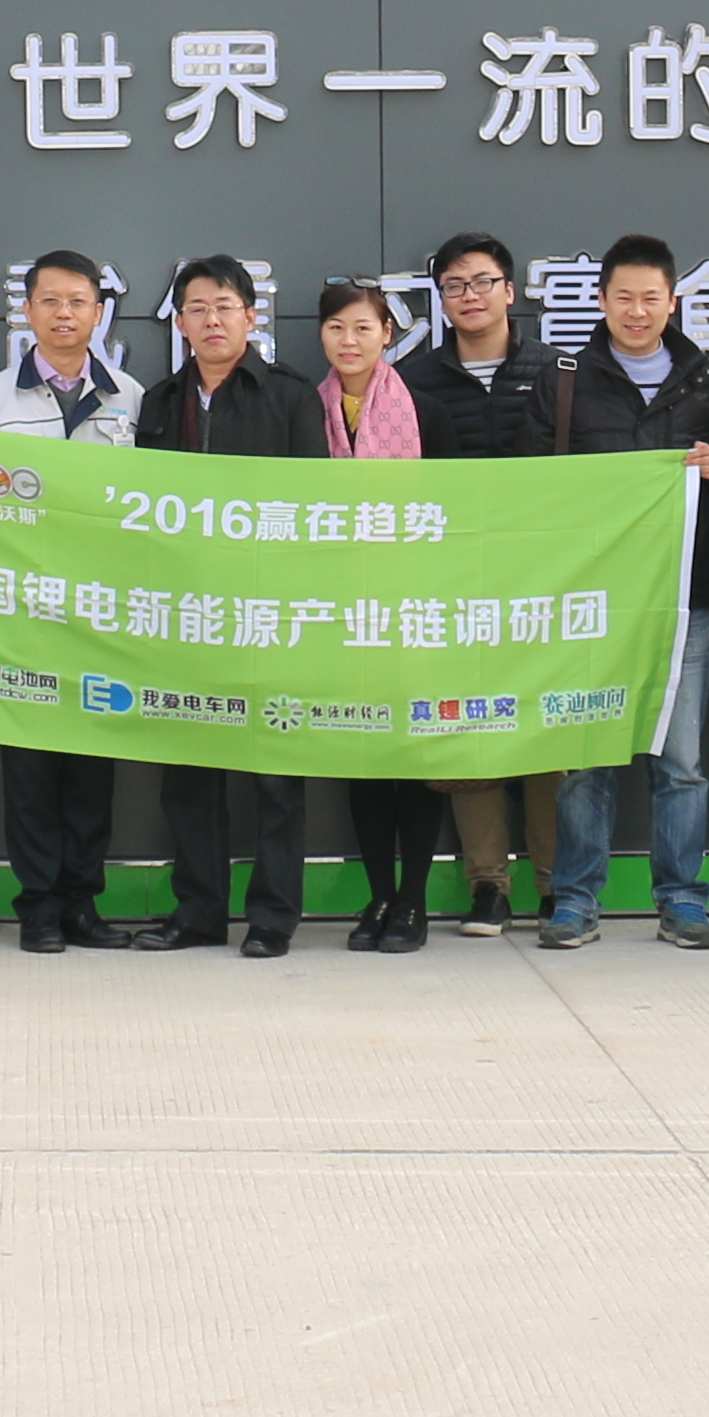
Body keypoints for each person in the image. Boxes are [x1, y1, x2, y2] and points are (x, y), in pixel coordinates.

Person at [535, 237, 709, 954]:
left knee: (680, 763)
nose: (637, 310)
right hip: (590, 600)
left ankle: (682, 899)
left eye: (651, 297)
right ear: (600, 301)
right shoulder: (565, 379)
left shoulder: (706, 381)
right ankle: (574, 900)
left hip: (683, 598)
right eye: (623, 296)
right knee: (586, 757)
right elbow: (533, 478)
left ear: (673, 302)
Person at [137, 255, 324, 957]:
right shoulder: (160, 402)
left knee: (277, 776)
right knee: (188, 775)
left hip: (270, 612)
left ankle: (273, 918)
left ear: (250, 316)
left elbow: (314, 510)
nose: (211, 320)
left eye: (224, 307)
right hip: (184, 614)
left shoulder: (290, 396)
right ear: (180, 322)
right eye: (197, 308)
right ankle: (197, 913)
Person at [0, 253, 155, 953]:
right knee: (28, 771)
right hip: (22, 612)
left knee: (89, 769)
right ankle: (38, 909)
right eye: (49, 300)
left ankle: (81, 904)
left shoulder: (129, 397)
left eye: (78, 301)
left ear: (99, 313)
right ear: (27, 311)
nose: (64, 313)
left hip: (101, 613)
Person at [395, 232, 549, 933]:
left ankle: (555, 884)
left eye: (482, 281)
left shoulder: (556, 370)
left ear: (509, 291)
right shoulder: (414, 380)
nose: (470, 296)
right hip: (450, 581)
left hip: (542, 578)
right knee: (466, 728)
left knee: (547, 728)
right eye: (454, 286)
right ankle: (489, 884)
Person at [304, 277, 450, 949]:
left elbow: (453, 511)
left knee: (411, 756)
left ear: (388, 333)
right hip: (337, 608)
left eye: (363, 327)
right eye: (336, 327)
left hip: (413, 604)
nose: (350, 340)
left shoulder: (424, 408)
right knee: (360, 755)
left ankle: (414, 901)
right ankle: (379, 896)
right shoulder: (308, 411)